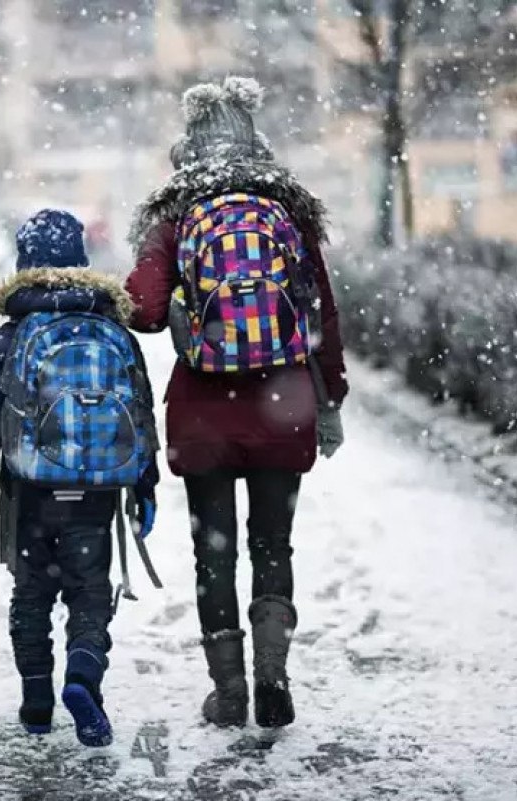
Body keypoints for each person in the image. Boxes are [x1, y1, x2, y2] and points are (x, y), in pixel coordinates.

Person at [124, 77, 349, 730]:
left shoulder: (175, 217)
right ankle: (272, 671)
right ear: (258, 145)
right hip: (284, 403)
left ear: (186, 151)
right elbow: (323, 318)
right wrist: (329, 397)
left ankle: (229, 692)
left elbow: (141, 308)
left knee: (214, 553)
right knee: (273, 543)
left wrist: (166, 290)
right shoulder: (288, 214)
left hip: (204, 414)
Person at [0, 209, 159, 747]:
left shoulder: (8, 338)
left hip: (29, 493)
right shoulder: (112, 328)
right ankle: (83, 676)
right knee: (90, 593)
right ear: (81, 261)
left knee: (32, 594)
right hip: (94, 492)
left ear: (23, 262)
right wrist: (144, 485)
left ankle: (37, 702)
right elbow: (140, 414)